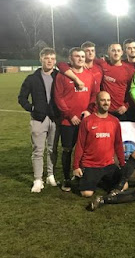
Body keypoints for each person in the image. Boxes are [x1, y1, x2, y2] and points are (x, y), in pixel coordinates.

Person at [54, 47, 96, 192]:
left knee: (85, 150)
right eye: (77, 56)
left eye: (82, 56)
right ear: (70, 59)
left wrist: (89, 110)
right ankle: (66, 179)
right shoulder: (62, 76)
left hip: (85, 121)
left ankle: (80, 176)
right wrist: (70, 115)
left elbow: (94, 95)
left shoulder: (90, 75)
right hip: (68, 122)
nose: (80, 59)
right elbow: (58, 98)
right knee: (67, 150)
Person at [18, 47, 60, 193]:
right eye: (47, 58)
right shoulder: (32, 78)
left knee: (52, 149)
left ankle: (50, 175)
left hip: (55, 118)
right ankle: (37, 179)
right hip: (38, 118)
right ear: (41, 59)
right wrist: (32, 108)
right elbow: (21, 98)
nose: (50, 61)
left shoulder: (60, 76)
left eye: (52, 58)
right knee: (38, 150)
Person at [59, 43, 135, 121]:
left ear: (122, 52)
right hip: (102, 110)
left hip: (120, 111)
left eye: (118, 50)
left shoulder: (128, 69)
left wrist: (126, 105)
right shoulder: (102, 64)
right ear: (108, 52)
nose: (116, 53)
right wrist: (80, 69)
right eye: (113, 50)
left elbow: (133, 90)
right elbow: (61, 65)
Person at [72, 91, 127, 197]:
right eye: (103, 100)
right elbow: (80, 144)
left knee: (124, 186)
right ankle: (85, 180)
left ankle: (100, 181)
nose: (106, 103)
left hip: (108, 165)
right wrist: (76, 166)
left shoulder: (114, 121)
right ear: (97, 102)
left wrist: (122, 163)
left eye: (108, 100)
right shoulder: (87, 121)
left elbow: (118, 144)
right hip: (90, 165)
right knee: (86, 194)